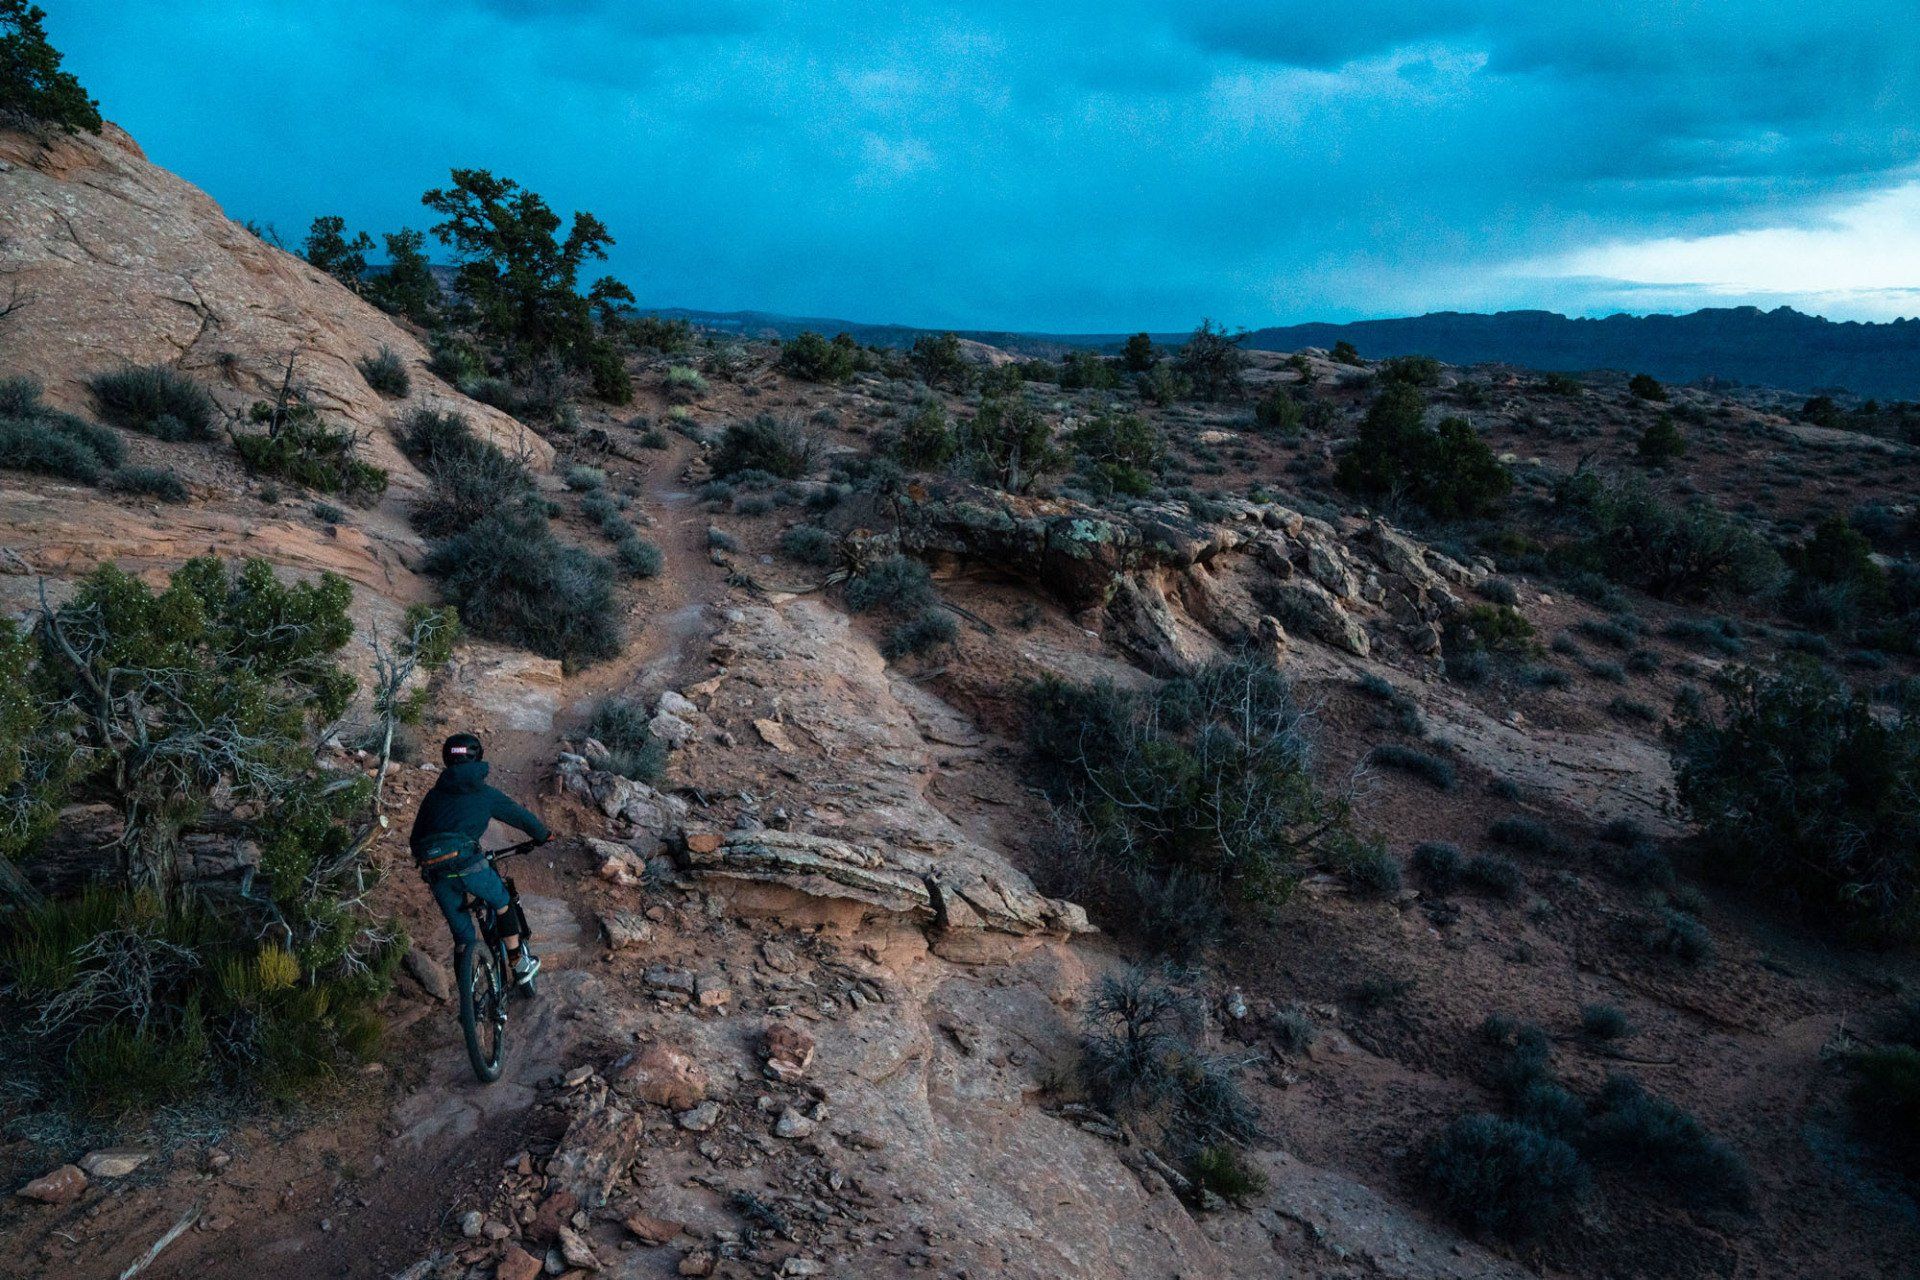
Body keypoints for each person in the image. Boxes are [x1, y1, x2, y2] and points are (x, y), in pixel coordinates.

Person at [410, 732, 549, 985]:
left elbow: (415, 838)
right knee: (502, 901)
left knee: (463, 938)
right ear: (478, 758)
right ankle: (517, 962)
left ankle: (468, 996)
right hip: (467, 863)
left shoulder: (433, 795)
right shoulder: (484, 793)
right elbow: (519, 817)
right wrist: (542, 835)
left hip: (435, 869)